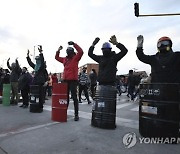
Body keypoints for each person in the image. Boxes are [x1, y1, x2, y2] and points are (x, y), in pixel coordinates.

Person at [55, 41, 83, 121]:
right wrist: (58, 50)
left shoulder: (76, 58)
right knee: (65, 97)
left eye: (69, 52)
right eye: (67, 52)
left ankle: (76, 115)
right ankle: (64, 112)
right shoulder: (65, 59)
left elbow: (81, 51)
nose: (68, 53)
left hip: (73, 81)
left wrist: (74, 44)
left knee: (74, 98)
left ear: (72, 52)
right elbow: (56, 58)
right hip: (65, 81)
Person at [26, 45, 48, 112]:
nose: (37, 61)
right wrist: (27, 56)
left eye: (38, 60)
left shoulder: (42, 67)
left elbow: (42, 60)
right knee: (35, 94)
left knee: (40, 95)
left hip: (40, 82)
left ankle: (40, 107)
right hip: (35, 81)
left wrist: (41, 52)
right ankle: (35, 105)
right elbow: (30, 63)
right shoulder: (35, 67)